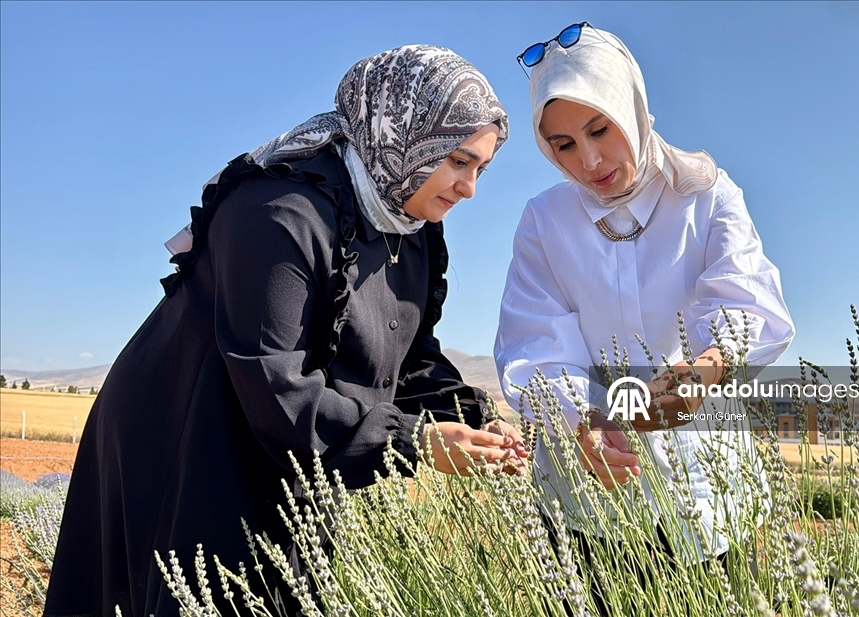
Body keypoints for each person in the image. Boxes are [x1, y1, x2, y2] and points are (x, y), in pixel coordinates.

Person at [45, 44, 523, 617]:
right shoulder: (279, 213)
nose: (469, 187)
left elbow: (408, 355)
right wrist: (414, 441)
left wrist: (483, 422)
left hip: (293, 453)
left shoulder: (411, 226)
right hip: (192, 435)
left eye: (481, 169)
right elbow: (277, 385)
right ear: (402, 136)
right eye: (457, 160)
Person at [495, 21, 795, 582]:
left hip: (708, 491)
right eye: (563, 144)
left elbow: (750, 302)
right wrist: (581, 420)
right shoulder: (544, 221)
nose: (588, 160)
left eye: (599, 129)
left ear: (630, 106)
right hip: (589, 500)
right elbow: (533, 343)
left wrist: (705, 370)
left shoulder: (706, 194)